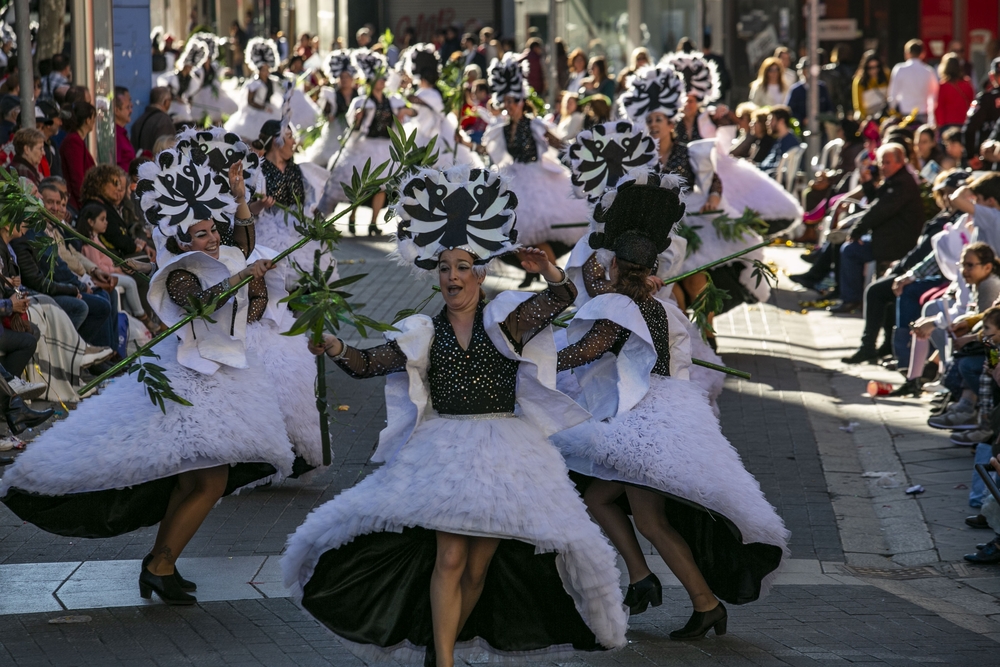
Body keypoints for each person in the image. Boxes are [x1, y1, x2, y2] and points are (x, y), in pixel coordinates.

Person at [286, 165, 627, 667]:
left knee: (477, 567)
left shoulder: (505, 322)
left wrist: (550, 269)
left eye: (463, 266)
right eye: (445, 268)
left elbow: (559, 301)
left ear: (480, 272)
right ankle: (443, 661)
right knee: (449, 557)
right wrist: (335, 345)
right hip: (444, 454)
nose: (453, 277)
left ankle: (438, 649)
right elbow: (366, 364)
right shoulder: (422, 332)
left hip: (506, 455)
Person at [0, 156, 304, 607]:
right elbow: (203, 302)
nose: (213, 239)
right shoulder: (179, 273)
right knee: (208, 482)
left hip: (228, 378)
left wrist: (241, 199)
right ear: (184, 241)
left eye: (213, 230)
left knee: (193, 483)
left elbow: (244, 241)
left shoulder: (231, 252)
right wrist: (242, 278)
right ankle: (158, 565)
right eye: (201, 234)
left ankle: (162, 564)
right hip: (192, 382)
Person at [553, 171, 788, 638]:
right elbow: (668, 359)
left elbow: (585, 348)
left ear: (617, 268)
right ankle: (643, 580)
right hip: (668, 414)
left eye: (608, 267)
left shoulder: (620, 310)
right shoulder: (664, 309)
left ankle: (702, 603)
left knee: (651, 520)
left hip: (642, 428)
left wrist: (525, 356)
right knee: (600, 498)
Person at [482, 53, 591, 284]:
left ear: (521, 101)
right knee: (514, 234)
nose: (509, 106)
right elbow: (490, 151)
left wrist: (577, 153)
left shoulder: (533, 125)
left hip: (537, 179)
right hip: (514, 178)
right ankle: (532, 271)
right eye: (507, 102)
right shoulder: (501, 128)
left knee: (537, 231)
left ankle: (551, 277)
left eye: (513, 101)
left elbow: (556, 142)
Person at [831, 143, 925, 313]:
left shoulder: (901, 184)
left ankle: (851, 299)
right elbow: (877, 202)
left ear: (900, 162)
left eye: (887, 162)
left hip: (895, 242)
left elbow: (879, 211)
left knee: (850, 250)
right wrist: (867, 184)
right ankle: (847, 295)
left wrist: (856, 230)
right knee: (843, 245)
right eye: (882, 162)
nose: (883, 167)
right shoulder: (894, 181)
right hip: (885, 237)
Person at [326, 49, 406, 235]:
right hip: (365, 146)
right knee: (361, 186)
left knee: (381, 187)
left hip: (384, 147)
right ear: (371, 81)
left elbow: (408, 113)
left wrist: (404, 113)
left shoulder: (391, 101)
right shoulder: (362, 102)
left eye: (384, 79)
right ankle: (352, 216)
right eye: (379, 79)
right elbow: (353, 126)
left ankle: (373, 222)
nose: (383, 82)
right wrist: (357, 118)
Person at [300, 50, 356, 166]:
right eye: (342, 77)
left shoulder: (358, 95)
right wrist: (329, 113)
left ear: (352, 78)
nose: (345, 80)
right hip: (335, 131)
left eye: (347, 77)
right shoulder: (332, 94)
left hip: (352, 131)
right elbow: (326, 113)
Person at [223, 37, 281, 141]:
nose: (266, 72)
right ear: (258, 70)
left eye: (267, 69)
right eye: (263, 69)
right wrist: (262, 108)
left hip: (269, 109)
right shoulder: (254, 84)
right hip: (255, 111)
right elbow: (250, 101)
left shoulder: (272, 81)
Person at [887, 39, 939, 125]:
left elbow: (893, 92)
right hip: (923, 112)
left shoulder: (899, 69)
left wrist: (892, 109)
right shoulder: (928, 71)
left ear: (907, 53)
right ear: (923, 54)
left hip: (904, 112)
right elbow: (934, 95)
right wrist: (932, 117)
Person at [58, 102, 97, 210]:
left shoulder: (77, 140)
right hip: (76, 203)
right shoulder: (73, 141)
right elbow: (77, 177)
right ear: (88, 120)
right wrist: (84, 203)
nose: (94, 122)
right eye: (93, 118)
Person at [963, 58, 1000, 170]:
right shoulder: (985, 99)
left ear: (991, 76)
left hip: (989, 158)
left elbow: (969, 128)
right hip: (989, 156)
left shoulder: (985, 99)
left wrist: (970, 155)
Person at [130, 87, 176, 159]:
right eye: (170, 100)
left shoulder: (139, 121)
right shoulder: (164, 120)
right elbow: (167, 151)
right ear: (166, 102)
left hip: (140, 166)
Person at [935, 54, 974, 132]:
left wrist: (939, 124)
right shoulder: (967, 83)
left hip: (947, 124)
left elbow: (940, 107)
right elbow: (972, 102)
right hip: (964, 122)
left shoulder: (943, 86)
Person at [759, 105, 799, 175]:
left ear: (781, 121)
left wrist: (758, 167)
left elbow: (779, 166)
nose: (767, 123)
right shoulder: (779, 140)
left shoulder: (790, 142)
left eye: (771, 120)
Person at [852, 51, 891, 120]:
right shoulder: (859, 81)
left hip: (885, 115)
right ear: (865, 68)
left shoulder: (886, 75)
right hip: (869, 117)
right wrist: (865, 119)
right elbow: (858, 104)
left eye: (877, 67)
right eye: (870, 68)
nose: (874, 70)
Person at [113, 87, 136, 172]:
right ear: (116, 111)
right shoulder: (115, 135)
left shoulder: (122, 134)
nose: (131, 111)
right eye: (127, 107)